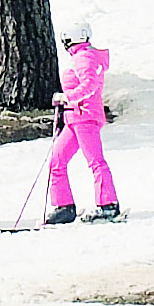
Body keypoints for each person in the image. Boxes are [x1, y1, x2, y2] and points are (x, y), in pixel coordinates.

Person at [46, 21, 121, 224]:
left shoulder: (85, 57)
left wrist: (66, 97)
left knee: (95, 161)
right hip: (74, 117)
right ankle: (64, 206)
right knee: (56, 160)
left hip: (85, 117)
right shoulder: (81, 57)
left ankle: (108, 204)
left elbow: (90, 85)